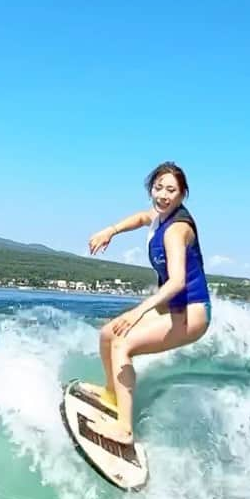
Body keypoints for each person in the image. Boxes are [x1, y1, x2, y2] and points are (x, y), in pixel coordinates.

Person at [77, 162, 211, 447]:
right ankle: (112, 394)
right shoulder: (160, 216)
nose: (163, 195)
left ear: (182, 194)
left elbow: (177, 282)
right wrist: (110, 230)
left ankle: (124, 429)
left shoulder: (177, 229)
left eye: (171, 190)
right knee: (108, 334)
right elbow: (141, 217)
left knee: (122, 344)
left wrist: (139, 311)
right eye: (158, 187)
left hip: (192, 313)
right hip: (173, 309)